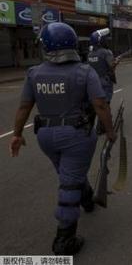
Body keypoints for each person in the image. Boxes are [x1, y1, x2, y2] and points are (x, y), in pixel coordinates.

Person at [8, 22, 115, 255]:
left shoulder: (34, 73)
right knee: (68, 182)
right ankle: (64, 239)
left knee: (69, 173)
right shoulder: (85, 71)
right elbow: (100, 105)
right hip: (76, 136)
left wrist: (16, 135)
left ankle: (86, 199)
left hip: (45, 137)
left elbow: (24, 107)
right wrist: (110, 131)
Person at [87, 28, 115, 103]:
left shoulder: (90, 54)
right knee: (106, 103)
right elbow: (112, 66)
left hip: (92, 82)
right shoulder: (106, 52)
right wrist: (116, 62)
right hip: (104, 82)